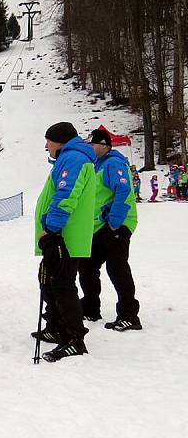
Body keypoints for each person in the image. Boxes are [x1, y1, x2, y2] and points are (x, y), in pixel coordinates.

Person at [32, 122, 96, 362]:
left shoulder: (73, 159)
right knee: (48, 280)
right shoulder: (70, 158)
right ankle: (57, 326)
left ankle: (73, 338)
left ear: (59, 140)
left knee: (61, 283)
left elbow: (66, 195)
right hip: (60, 234)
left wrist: (52, 228)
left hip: (64, 236)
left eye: (48, 140)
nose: (46, 146)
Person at [78, 128, 141, 331]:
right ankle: (90, 307)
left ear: (104, 145)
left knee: (117, 267)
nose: (90, 147)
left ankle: (129, 314)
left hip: (116, 224)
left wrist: (115, 221)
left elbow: (123, 190)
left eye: (93, 144)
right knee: (87, 266)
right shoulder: (98, 165)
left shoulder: (114, 163)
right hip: (99, 225)